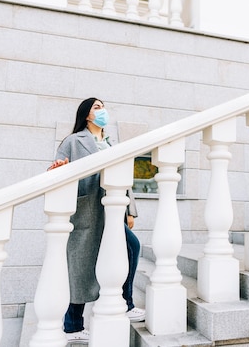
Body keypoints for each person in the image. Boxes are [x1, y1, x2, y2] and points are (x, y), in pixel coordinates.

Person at [47, 97, 146, 342]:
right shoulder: (73, 141)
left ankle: (126, 303)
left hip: (112, 211)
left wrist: (129, 210)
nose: (102, 111)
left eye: (103, 106)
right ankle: (73, 326)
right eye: (97, 107)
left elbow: (124, 178)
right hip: (87, 210)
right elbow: (56, 170)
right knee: (79, 267)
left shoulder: (112, 143)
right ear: (87, 114)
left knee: (131, 247)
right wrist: (57, 168)